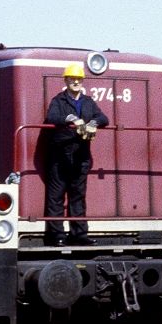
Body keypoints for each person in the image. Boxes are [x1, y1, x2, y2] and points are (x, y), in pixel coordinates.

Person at [44, 62, 109, 246]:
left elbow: (104, 118)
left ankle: (79, 235)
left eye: (78, 79)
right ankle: (56, 235)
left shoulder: (88, 102)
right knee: (56, 196)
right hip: (60, 156)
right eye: (72, 79)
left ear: (82, 81)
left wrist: (93, 123)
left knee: (78, 196)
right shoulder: (59, 101)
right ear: (66, 80)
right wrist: (71, 119)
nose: (76, 82)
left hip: (81, 157)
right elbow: (51, 117)